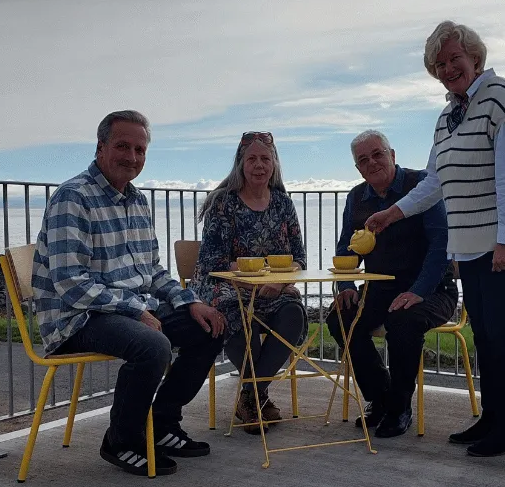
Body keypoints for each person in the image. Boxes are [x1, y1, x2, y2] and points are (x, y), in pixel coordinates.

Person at [365, 21, 505, 457]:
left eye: (455, 58)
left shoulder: (503, 98)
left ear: (476, 58)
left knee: (504, 330)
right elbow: (435, 181)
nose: (449, 67)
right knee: (485, 333)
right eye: (440, 63)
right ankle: (491, 418)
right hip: (471, 242)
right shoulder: (449, 115)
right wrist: (393, 213)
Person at [32, 110, 227, 476]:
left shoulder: (136, 200)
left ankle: (163, 424)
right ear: (100, 147)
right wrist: (135, 311)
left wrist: (193, 301)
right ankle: (121, 440)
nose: (132, 157)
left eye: (140, 149)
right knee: (152, 346)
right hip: (77, 316)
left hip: (128, 309)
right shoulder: (73, 198)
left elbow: (151, 271)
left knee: (212, 325)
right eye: (123, 146)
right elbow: (70, 282)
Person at [327, 130, 457, 438]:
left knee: (403, 321)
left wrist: (418, 291)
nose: (372, 163)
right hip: (379, 290)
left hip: (432, 288)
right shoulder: (356, 197)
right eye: (363, 160)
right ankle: (380, 396)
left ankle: (400, 408)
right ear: (358, 168)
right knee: (340, 319)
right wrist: (345, 285)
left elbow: (441, 244)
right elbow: (346, 247)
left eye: (377, 154)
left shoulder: (421, 185)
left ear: (393, 155)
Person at [192, 131, 308, 434]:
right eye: (252, 158)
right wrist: (255, 283)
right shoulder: (223, 203)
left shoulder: (283, 203)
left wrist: (281, 284)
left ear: (274, 164)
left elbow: (299, 259)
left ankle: (252, 394)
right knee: (239, 312)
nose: (259, 165)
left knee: (293, 312)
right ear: (240, 163)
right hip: (227, 285)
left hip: (273, 288)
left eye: (265, 159)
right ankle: (258, 396)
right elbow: (212, 262)